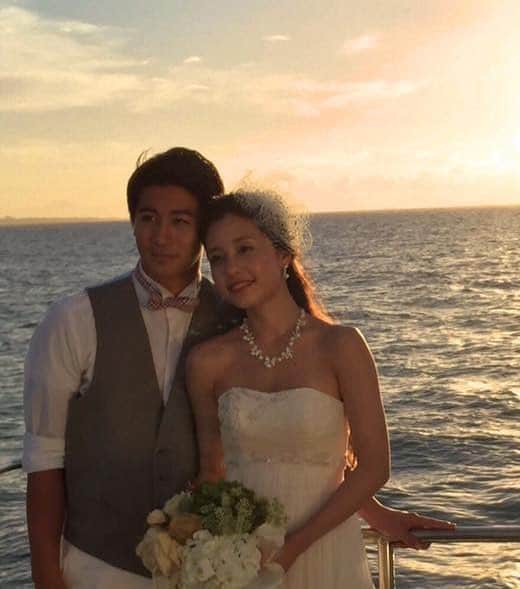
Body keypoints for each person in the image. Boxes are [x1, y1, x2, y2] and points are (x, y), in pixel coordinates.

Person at [22, 148, 452, 589]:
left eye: (181, 222)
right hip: (104, 567)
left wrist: (373, 513)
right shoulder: (79, 321)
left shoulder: (260, 320)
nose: (162, 236)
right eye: (148, 218)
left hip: (281, 559)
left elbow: (312, 448)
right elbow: (46, 458)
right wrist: (46, 576)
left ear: (284, 254)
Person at [188, 189, 388, 586]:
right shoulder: (206, 362)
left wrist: (294, 546)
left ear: (283, 254)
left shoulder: (341, 346)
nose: (231, 268)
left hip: (328, 553)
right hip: (246, 562)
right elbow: (212, 473)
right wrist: (196, 553)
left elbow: (375, 467)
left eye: (244, 249)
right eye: (218, 258)